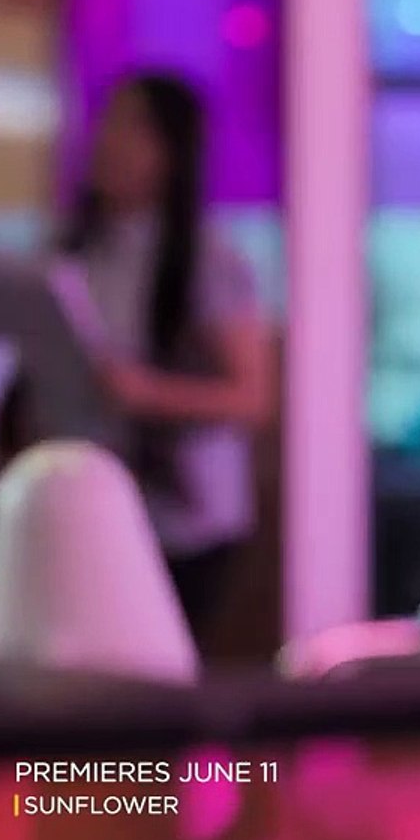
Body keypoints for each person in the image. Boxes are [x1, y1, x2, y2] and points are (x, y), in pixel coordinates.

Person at [56, 71, 274, 641]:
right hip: (92, 502)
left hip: (185, 517)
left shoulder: (209, 260)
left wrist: (145, 392)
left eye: (133, 128)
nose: (108, 141)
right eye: (107, 123)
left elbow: (251, 398)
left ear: (172, 152)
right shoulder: (79, 250)